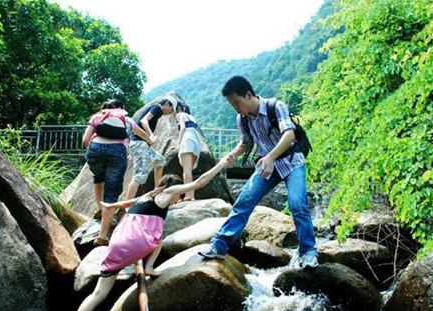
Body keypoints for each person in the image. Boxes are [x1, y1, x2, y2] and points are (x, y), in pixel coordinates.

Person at [55, 155, 233, 311]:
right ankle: (148, 266)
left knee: (98, 294)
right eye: (178, 196)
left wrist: (109, 206)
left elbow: (124, 204)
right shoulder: (167, 192)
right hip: (137, 243)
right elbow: (199, 182)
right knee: (158, 239)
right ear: (171, 188)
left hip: (117, 244)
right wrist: (222, 164)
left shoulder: (146, 195)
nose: (177, 199)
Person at [199, 76, 318, 269]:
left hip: (291, 162)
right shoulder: (242, 119)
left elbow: (289, 134)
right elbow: (246, 143)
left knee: (298, 203)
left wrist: (270, 157)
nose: (235, 108)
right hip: (266, 166)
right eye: (232, 104)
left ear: (249, 95)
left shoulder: (275, 106)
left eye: (236, 102)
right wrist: (233, 155)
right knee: (244, 201)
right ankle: (219, 245)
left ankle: (309, 252)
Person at [82, 99, 153, 246]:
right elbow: (143, 134)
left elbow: (85, 140)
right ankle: (102, 235)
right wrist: (151, 141)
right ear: (121, 109)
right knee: (111, 193)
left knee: (98, 177)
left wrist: (94, 151)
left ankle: (100, 208)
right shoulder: (126, 120)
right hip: (117, 153)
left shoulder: (97, 117)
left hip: (95, 150)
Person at [125, 96, 177, 200]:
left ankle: (156, 191)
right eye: (171, 109)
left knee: (160, 161)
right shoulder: (157, 108)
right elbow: (144, 121)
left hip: (140, 144)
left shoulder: (154, 109)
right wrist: (150, 135)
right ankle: (126, 206)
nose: (170, 113)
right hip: (140, 144)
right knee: (139, 176)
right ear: (167, 104)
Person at [176, 103, 202, 201]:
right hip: (196, 140)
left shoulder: (180, 115)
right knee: (189, 170)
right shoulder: (191, 117)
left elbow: (182, 127)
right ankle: (192, 195)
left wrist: (178, 143)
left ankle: (188, 195)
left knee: (186, 170)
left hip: (187, 139)